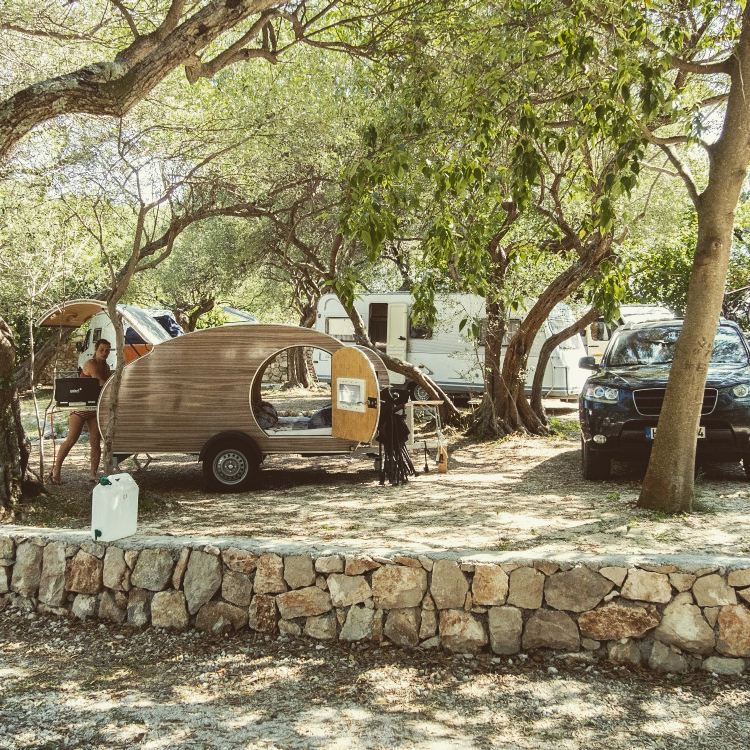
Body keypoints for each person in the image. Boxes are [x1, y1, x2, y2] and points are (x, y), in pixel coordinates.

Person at [49, 338, 112, 484]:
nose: (104, 353)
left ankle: (93, 475)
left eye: (107, 350)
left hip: (95, 408)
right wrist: (114, 385)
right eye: (102, 350)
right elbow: (99, 381)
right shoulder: (90, 364)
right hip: (80, 407)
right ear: (96, 350)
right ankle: (56, 471)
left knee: (95, 442)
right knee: (71, 440)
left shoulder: (106, 366)